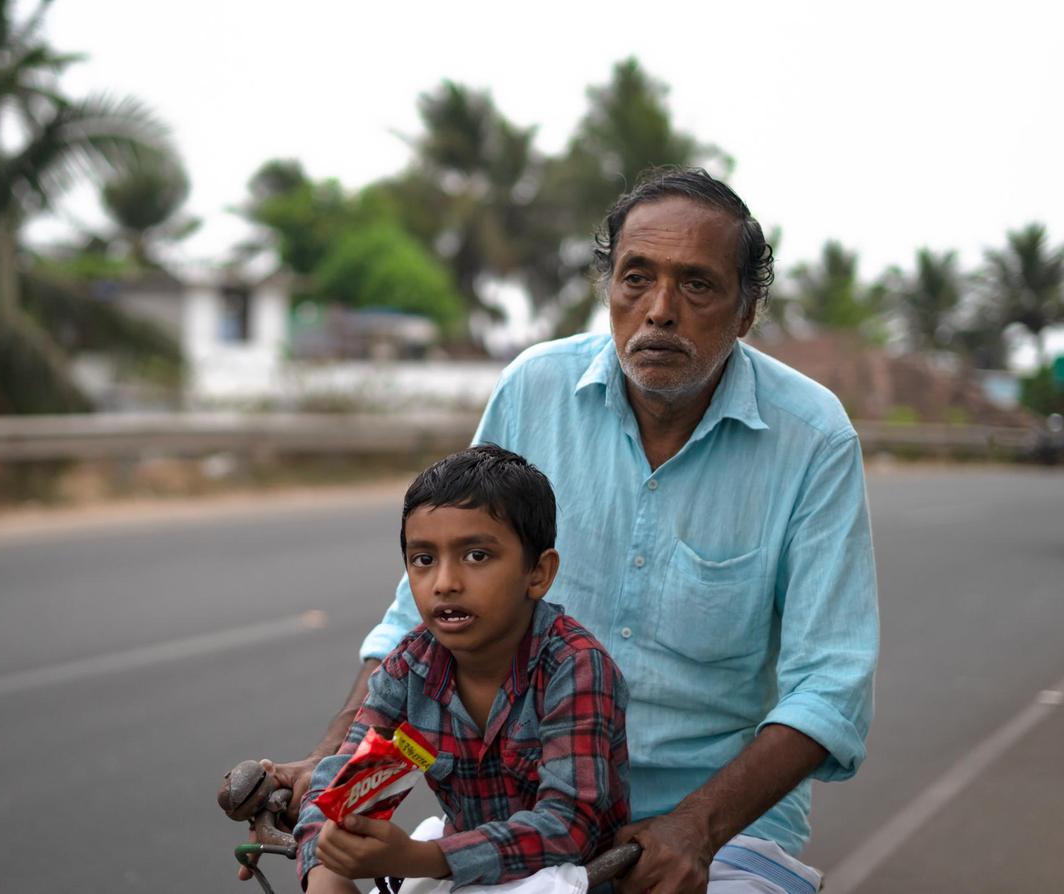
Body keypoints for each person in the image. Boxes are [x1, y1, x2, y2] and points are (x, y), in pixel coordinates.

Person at [257, 167, 879, 894]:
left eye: (698, 286)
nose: (660, 311)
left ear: (747, 311)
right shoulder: (533, 390)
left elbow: (830, 686)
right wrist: (329, 764)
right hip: (514, 823)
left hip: (718, 834)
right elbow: (421, 625)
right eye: (636, 278)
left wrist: (696, 829)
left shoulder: (812, 438)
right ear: (607, 286)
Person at [295, 445, 631, 893]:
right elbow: (341, 781)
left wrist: (423, 857)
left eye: (476, 556)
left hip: (573, 880)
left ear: (539, 572)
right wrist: (326, 867)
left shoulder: (575, 666)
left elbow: (568, 826)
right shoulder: (410, 668)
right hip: (463, 875)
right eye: (424, 559)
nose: (445, 582)